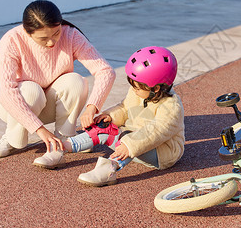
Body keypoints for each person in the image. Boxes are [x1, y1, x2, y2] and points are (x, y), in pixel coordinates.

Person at [32, 46, 185, 187]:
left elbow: (156, 131)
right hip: (132, 140)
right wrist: (110, 116)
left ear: (156, 88)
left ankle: (109, 169)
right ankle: (62, 148)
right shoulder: (139, 91)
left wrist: (129, 144)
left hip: (162, 153)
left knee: (127, 137)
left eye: (137, 87)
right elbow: (125, 108)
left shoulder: (172, 106)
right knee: (104, 127)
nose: (134, 89)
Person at [0, 0, 116, 158]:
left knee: (76, 81)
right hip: (15, 104)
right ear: (28, 33)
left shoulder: (70, 34)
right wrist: (40, 130)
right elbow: (5, 91)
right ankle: (13, 137)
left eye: (56, 33)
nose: (52, 42)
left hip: (47, 104)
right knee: (31, 91)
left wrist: (92, 107)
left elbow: (105, 71)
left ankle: (66, 136)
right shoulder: (12, 40)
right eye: (43, 38)